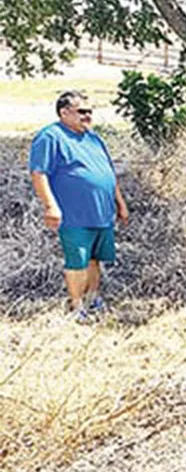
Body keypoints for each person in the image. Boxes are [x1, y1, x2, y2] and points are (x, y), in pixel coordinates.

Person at [29, 91, 129, 322]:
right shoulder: (50, 137)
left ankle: (93, 299)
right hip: (74, 215)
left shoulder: (94, 139)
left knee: (95, 259)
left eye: (90, 112)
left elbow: (108, 172)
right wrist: (50, 206)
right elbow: (39, 173)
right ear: (64, 112)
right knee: (78, 261)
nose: (87, 116)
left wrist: (120, 203)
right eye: (82, 111)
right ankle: (77, 307)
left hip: (102, 213)